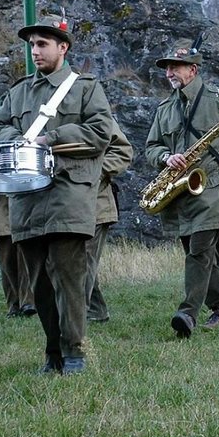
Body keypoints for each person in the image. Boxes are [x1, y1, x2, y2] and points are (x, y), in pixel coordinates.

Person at [0, 14, 116, 374]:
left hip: (68, 193)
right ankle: (52, 350)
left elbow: (102, 131)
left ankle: (74, 350)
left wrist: (50, 140)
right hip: (26, 196)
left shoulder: (85, 88)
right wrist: (16, 141)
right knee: (38, 281)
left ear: (63, 47)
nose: (35, 51)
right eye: (31, 45)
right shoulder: (19, 91)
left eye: (42, 44)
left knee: (70, 277)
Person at [144, 39, 219, 334]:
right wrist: (165, 156)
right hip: (181, 190)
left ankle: (187, 314)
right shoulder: (164, 108)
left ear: (193, 69)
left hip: (213, 187)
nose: (169, 72)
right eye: (167, 67)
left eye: (176, 66)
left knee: (199, 250)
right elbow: (150, 147)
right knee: (198, 252)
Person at [85, 114, 133, 323]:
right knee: (78, 263)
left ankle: (72, 321)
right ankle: (96, 311)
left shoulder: (94, 109)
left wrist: (88, 173)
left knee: (81, 263)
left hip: (95, 204)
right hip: (58, 205)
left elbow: (122, 151)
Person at [0, 193, 34, 318]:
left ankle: (28, 301)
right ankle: (14, 303)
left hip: (25, 187)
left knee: (26, 245)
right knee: (6, 255)